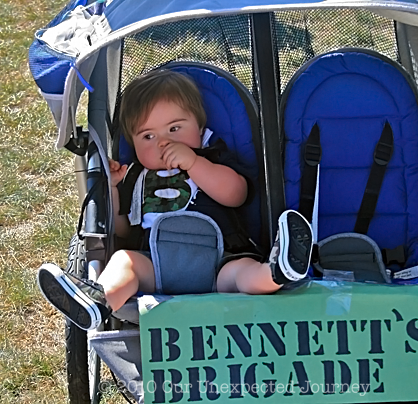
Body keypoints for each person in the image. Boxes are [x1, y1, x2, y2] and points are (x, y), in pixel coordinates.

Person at [37, 69, 313, 331]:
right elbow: (123, 230)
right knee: (124, 261)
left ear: (200, 128)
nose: (163, 142)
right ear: (134, 144)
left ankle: (276, 273)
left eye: (174, 129)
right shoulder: (135, 176)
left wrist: (194, 163)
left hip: (220, 261)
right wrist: (112, 190)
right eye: (148, 136)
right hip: (157, 267)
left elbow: (237, 195)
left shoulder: (212, 157)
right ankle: (99, 301)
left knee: (243, 272)